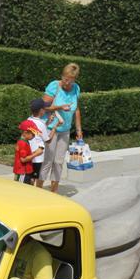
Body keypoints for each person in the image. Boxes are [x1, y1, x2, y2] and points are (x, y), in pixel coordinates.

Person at [40, 63, 84, 193]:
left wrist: (79, 130)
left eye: (70, 80)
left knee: (58, 162)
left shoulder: (76, 88)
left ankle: (54, 191)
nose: (67, 82)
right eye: (65, 78)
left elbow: (76, 110)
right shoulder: (54, 86)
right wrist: (60, 107)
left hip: (65, 130)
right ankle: (38, 190)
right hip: (50, 129)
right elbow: (44, 107)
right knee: (47, 160)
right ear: (62, 76)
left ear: (75, 79)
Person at [28, 98, 56, 188]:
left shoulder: (28, 120)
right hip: (37, 157)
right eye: (44, 108)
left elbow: (37, 131)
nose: (45, 110)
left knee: (28, 175)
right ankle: (31, 195)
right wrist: (55, 128)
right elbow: (48, 140)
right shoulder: (41, 124)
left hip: (28, 153)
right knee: (33, 178)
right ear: (41, 111)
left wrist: (48, 122)